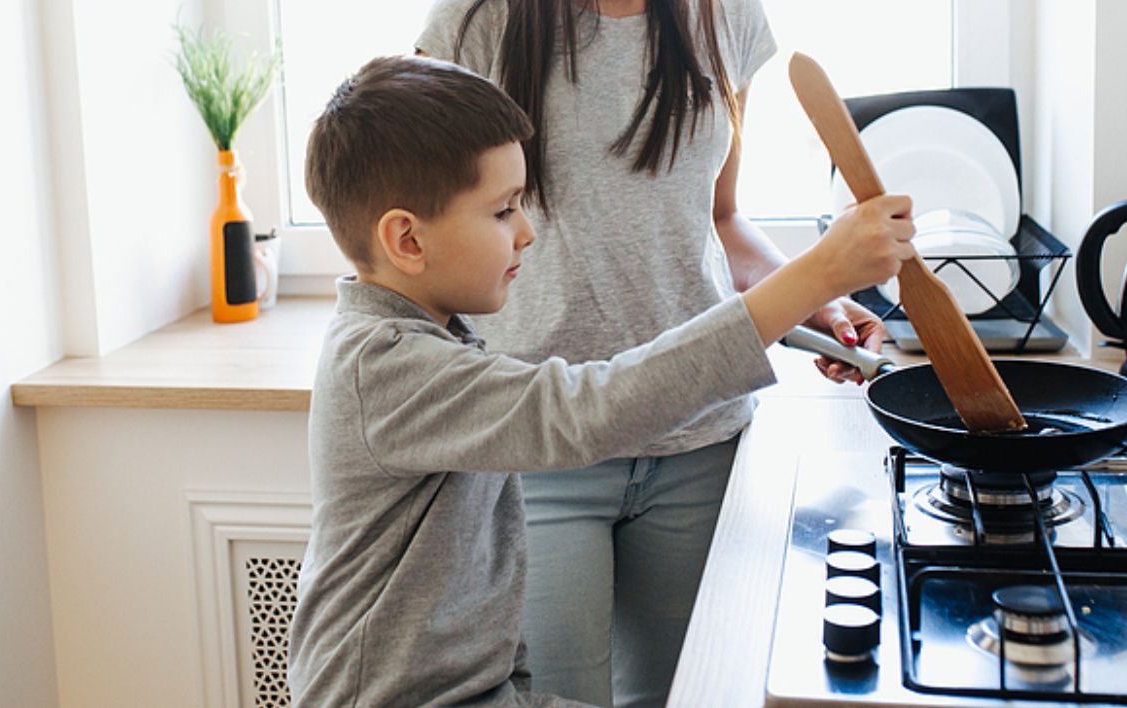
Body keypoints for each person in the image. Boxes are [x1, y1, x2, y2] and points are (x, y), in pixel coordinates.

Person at [414, 0, 893, 707]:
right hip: (542, 444)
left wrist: (816, 302)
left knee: (695, 695)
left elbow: (715, 223)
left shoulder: (727, 14)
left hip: (702, 437)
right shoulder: (473, 25)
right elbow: (420, 260)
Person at [287, 55, 911, 707]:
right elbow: (590, 411)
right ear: (407, 241)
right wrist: (814, 275)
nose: (527, 232)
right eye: (503, 212)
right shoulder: (388, 365)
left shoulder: (429, 336)